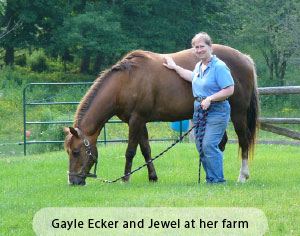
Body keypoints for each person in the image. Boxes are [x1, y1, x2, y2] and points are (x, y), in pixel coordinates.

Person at [163, 32, 234, 183]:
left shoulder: (219, 67)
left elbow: (229, 89)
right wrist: (175, 67)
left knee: (209, 144)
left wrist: (210, 98)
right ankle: (211, 179)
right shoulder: (199, 66)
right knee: (200, 144)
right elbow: (191, 77)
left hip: (217, 110)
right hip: (200, 109)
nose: (199, 50)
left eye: (202, 47)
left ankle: (217, 181)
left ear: (210, 47)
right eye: (196, 47)